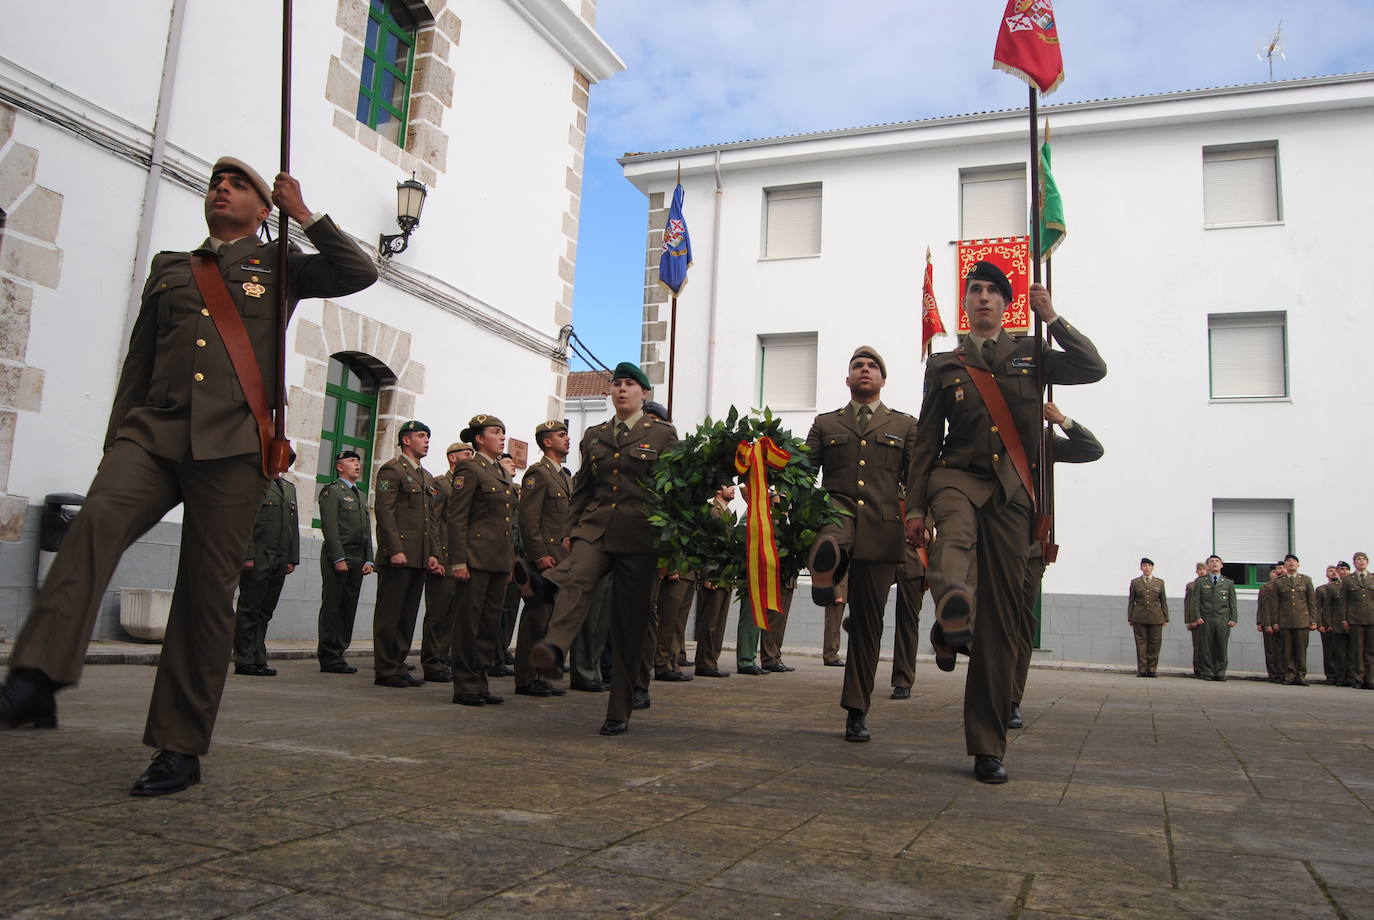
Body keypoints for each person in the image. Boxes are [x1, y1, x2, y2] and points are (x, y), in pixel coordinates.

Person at [0, 157, 377, 795]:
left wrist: (304, 215)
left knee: (205, 594)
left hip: (233, 446)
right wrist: (118, 437)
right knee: (95, 523)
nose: (221, 188)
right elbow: (139, 359)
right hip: (154, 433)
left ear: (264, 208)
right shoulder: (172, 268)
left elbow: (358, 271)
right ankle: (37, 676)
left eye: (239, 185)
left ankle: (179, 746)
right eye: (214, 182)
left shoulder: (282, 264)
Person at [905, 264, 1106, 783]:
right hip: (956, 477)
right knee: (953, 537)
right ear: (966, 304)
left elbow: (1092, 368)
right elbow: (927, 439)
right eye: (976, 290)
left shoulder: (1032, 352)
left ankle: (987, 746)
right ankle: (953, 605)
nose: (984, 298)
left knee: (1001, 624)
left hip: (1014, 493)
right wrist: (914, 507)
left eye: (994, 291)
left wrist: (1053, 318)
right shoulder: (946, 362)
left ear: (1008, 303)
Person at [523, 362, 678, 735]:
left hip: (641, 537)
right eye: (617, 384)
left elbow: (674, 493)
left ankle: (618, 709)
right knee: (579, 574)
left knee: (628, 625)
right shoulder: (593, 435)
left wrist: (671, 546)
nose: (621, 389)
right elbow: (585, 486)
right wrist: (570, 529)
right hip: (596, 527)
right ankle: (554, 646)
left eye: (629, 384)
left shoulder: (662, 435)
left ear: (644, 393)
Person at [805, 346, 919, 744]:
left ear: (883, 380)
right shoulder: (825, 424)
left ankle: (857, 709)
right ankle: (827, 568)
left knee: (868, 625)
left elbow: (917, 478)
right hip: (836, 513)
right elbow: (804, 472)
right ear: (848, 379)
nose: (865, 370)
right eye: (858, 366)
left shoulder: (905, 426)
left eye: (872, 367)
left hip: (883, 530)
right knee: (832, 536)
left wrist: (924, 519)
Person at [1010, 402, 1103, 727]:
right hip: (989, 542)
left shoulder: (1045, 441)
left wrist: (1061, 420)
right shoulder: (992, 435)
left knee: (1021, 624)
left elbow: (1092, 449)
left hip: (1032, 547)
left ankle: (1010, 700)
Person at [447, 415, 516, 706]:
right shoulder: (470, 468)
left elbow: (507, 523)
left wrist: (510, 561)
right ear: (479, 439)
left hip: (498, 561)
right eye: (495, 432)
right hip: (475, 559)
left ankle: (481, 680)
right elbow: (457, 517)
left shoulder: (500, 471)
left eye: (503, 432)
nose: (502, 437)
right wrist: (458, 561)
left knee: (489, 625)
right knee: (469, 624)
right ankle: (464, 685)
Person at [373, 420, 441, 689]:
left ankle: (398, 664)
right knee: (390, 613)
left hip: (419, 556)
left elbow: (431, 521)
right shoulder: (392, 470)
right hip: (399, 555)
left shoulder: (426, 477)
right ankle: (385, 668)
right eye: (421, 436)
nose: (426, 441)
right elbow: (385, 512)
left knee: (408, 614)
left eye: (427, 436)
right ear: (405, 440)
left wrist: (434, 552)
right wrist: (394, 549)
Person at [513, 420, 573, 697]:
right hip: (545, 560)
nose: (567, 439)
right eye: (562, 435)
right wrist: (539, 556)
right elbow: (528, 519)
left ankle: (539, 675)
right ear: (547, 442)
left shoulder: (562, 476)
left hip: (562, 561)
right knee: (536, 620)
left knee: (549, 621)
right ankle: (525, 678)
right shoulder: (538, 474)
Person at [232, 467, 300, 676]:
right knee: (249, 609)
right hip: (259, 556)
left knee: (265, 612)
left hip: (280, 557)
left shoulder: (289, 489)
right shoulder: (254, 482)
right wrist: (247, 554)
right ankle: (244, 659)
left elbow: (293, 526)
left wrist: (292, 557)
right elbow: (244, 521)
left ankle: (258, 657)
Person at [317, 450, 374, 673]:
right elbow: (330, 527)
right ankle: (328, 655)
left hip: (358, 559)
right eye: (351, 461)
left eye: (358, 461)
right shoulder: (333, 492)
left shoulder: (359, 495)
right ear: (340, 467)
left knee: (348, 608)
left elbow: (366, 530)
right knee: (333, 607)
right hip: (340, 558)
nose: (357, 464)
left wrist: (369, 558)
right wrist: (338, 557)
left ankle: (339, 652)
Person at [418, 444, 467, 683]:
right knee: (438, 613)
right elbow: (433, 522)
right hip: (444, 558)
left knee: (453, 615)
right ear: (453, 457)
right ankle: (432, 662)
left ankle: (443, 658)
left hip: (460, 560)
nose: (470, 458)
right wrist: (434, 555)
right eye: (466, 454)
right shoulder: (441, 484)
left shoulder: (467, 486)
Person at [691, 485, 736, 679]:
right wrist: (708, 574)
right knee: (709, 622)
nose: (733, 489)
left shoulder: (727, 512)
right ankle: (705, 662)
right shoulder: (713, 512)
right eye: (729, 485)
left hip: (725, 575)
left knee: (719, 622)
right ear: (719, 490)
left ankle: (712, 661)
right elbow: (707, 544)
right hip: (715, 575)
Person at [1187, 555, 1237, 681]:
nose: (1214, 563)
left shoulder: (1228, 583)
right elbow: (1195, 602)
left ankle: (1220, 672)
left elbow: (1232, 603)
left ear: (1221, 565)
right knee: (1206, 647)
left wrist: (1233, 618)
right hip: (1206, 618)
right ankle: (1208, 672)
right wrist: (1197, 617)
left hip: (1222, 619)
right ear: (1208, 566)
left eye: (1217, 561)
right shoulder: (1201, 582)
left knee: (1221, 646)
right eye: (1212, 562)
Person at [1272, 554, 1317, 685]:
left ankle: (1301, 675)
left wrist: (1313, 620)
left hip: (1302, 620)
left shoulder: (1306, 580)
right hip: (1285, 621)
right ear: (1285, 565)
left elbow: (1311, 602)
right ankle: (1289, 675)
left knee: (1301, 650)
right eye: (1288, 561)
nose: (1291, 563)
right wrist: (1275, 621)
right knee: (1287, 650)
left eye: (1294, 561)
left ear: (1298, 565)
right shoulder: (1279, 582)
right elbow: (1275, 604)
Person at [1126, 558, 1167, 678]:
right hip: (1139, 617)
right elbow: (1131, 601)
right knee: (1141, 644)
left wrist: (1165, 618)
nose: (1147, 568)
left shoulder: (1160, 582)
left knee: (1154, 644)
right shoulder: (1135, 582)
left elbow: (1163, 600)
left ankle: (1152, 669)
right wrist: (1130, 617)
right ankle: (1142, 670)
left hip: (1156, 618)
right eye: (1144, 566)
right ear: (1141, 568)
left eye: (1149, 566)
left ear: (1152, 568)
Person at [1340, 552, 1374, 689]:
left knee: (1370, 650)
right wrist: (1344, 619)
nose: (1361, 561)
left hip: (1371, 619)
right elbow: (1343, 601)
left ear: (1367, 562)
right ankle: (1358, 678)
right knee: (1357, 650)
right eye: (1358, 559)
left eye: (1364, 559)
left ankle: (1370, 678)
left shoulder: (1372, 578)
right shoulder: (1348, 579)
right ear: (1354, 563)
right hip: (1355, 619)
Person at [1317, 564, 1349, 686]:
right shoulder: (1322, 589)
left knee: (1344, 652)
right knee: (1330, 652)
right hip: (1329, 624)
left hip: (1344, 624)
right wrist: (1321, 623)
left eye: (1335, 571)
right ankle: (1332, 675)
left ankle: (1345, 675)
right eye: (1330, 571)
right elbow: (1320, 608)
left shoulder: (1344, 586)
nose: (1334, 573)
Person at [1257, 563, 1283, 683]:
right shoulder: (1267, 587)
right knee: (1271, 649)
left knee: (1284, 649)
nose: (1279, 571)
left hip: (1285, 622)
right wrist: (1263, 622)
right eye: (1276, 570)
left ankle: (1285, 672)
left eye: (1282, 568)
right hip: (1270, 621)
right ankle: (1274, 674)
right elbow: (1263, 606)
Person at [1183, 562, 1206, 677]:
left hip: (1209, 619)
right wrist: (1189, 621)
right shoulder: (1191, 585)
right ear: (1196, 571)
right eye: (1199, 569)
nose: (1202, 571)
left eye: (1204, 569)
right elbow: (1188, 603)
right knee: (1198, 646)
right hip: (1196, 620)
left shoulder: (1212, 584)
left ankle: (1208, 669)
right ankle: (1198, 669)